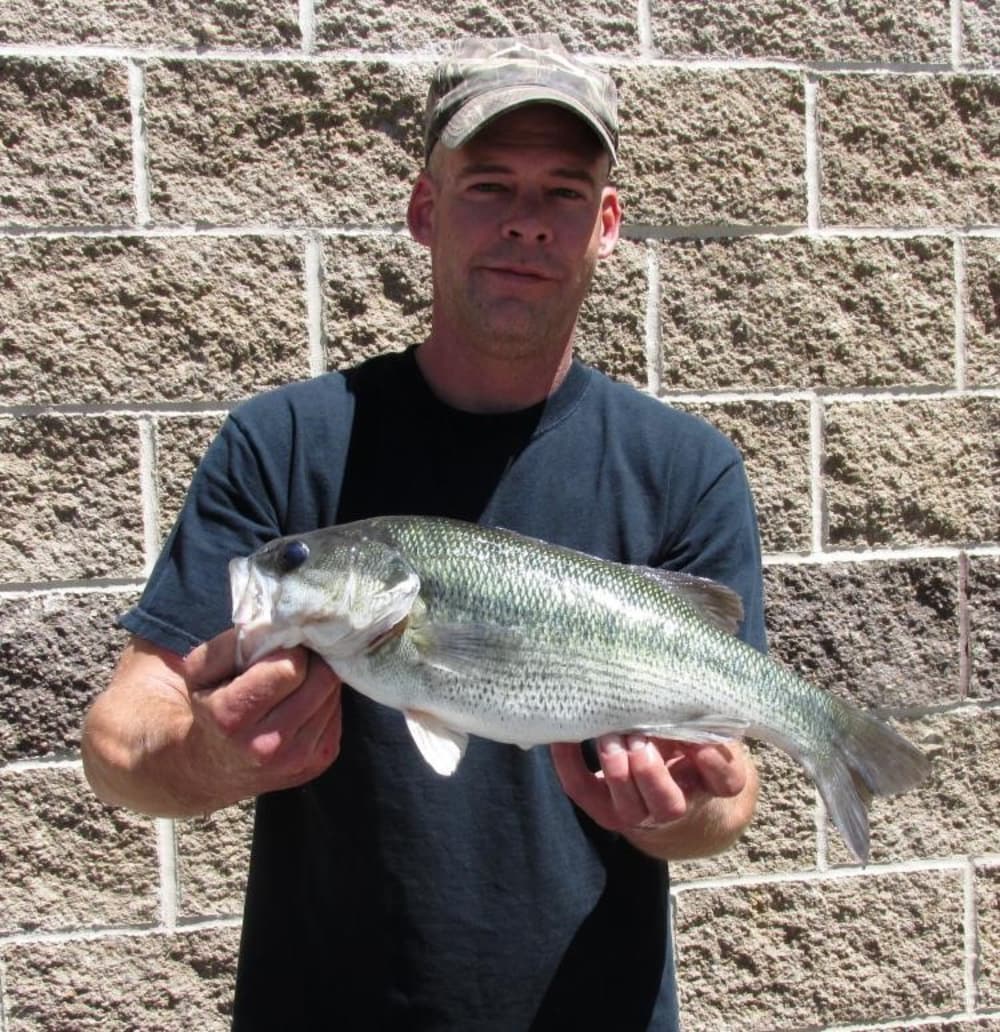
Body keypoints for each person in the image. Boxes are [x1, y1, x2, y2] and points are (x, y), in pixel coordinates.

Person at [81, 35, 764, 1030]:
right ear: (423, 209)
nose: (527, 224)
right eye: (489, 185)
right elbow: (118, 738)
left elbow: (725, 801)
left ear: (605, 225)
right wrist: (216, 757)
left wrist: (679, 810)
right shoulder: (282, 443)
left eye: (563, 192)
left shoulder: (684, 467)